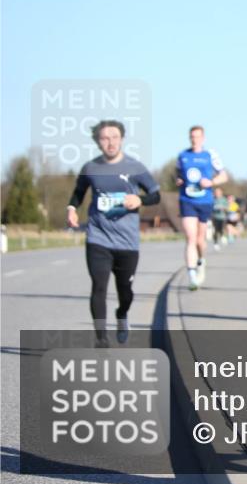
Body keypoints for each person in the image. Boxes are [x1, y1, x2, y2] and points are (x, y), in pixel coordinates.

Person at [67, 120, 161, 347]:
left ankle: (122, 314)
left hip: (127, 241)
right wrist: (71, 209)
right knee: (98, 286)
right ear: (98, 141)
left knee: (125, 292)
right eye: (105, 138)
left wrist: (140, 199)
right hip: (98, 237)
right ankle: (101, 338)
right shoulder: (90, 168)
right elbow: (78, 193)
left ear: (122, 139)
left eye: (115, 137)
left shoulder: (135, 167)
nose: (110, 142)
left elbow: (156, 195)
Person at [176, 125, 228, 290]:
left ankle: (201, 260)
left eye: (197, 136)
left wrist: (211, 182)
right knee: (190, 238)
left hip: (204, 200)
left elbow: (223, 176)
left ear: (203, 138)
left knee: (200, 240)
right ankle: (192, 275)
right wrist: (179, 181)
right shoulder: (183, 156)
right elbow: (178, 174)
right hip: (187, 200)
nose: (194, 139)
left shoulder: (210, 155)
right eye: (192, 136)